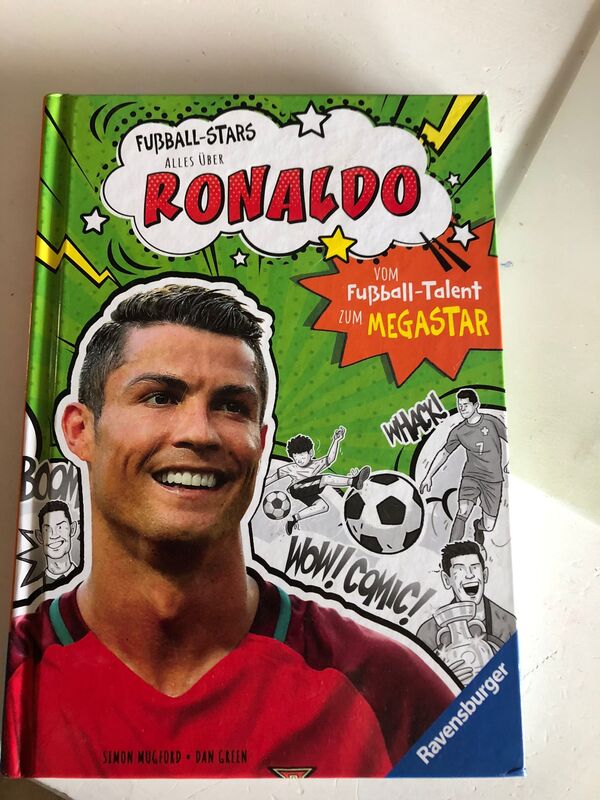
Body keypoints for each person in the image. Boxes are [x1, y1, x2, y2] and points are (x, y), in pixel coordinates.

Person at [3, 282, 453, 779]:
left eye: (232, 406)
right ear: (79, 430)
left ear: (262, 442)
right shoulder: (14, 684)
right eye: (160, 397)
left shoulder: (388, 689)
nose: (199, 432)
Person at [416, 541, 516, 683]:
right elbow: (420, 684)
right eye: (460, 569)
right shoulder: (428, 632)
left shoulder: (508, 624)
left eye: (474, 567)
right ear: (447, 580)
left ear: (485, 575)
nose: (469, 575)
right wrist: (443, 678)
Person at [419, 388, 508, 545]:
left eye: (466, 405)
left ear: (476, 405)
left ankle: (478, 526)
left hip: (493, 480)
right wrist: (428, 476)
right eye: (460, 406)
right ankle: (450, 551)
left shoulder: (491, 422)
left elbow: (511, 437)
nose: (462, 409)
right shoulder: (459, 431)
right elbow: (444, 453)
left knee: (489, 525)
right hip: (471, 476)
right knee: (463, 510)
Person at [264, 428, 370, 535]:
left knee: (322, 506)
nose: (299, 460)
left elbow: (330, 459)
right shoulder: (291, 468)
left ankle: (293, 519)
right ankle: (353, 481)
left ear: (311, 453)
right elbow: (273, 478)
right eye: (296, 458)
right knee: (326, 479)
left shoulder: (316, 465)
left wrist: (336, 440)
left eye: (302, 456)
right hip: (296, 489)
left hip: (308, 491)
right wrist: (259, 486)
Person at [34, 500, 78, 583]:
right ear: (40, 537)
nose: (54, 535)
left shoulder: (86, 578)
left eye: (60, 527)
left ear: (72, 529)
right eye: (47, 530)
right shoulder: (36, 586)